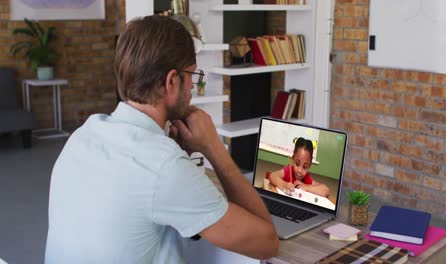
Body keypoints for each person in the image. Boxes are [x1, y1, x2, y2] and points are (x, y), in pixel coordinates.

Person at [45, 15, 278, 264]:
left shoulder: (83, 134)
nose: (192, 87)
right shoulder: (164, 167)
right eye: (192, 75)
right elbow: (267, 243)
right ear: (171, 82)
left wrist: (175, 158)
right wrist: (213, 147)